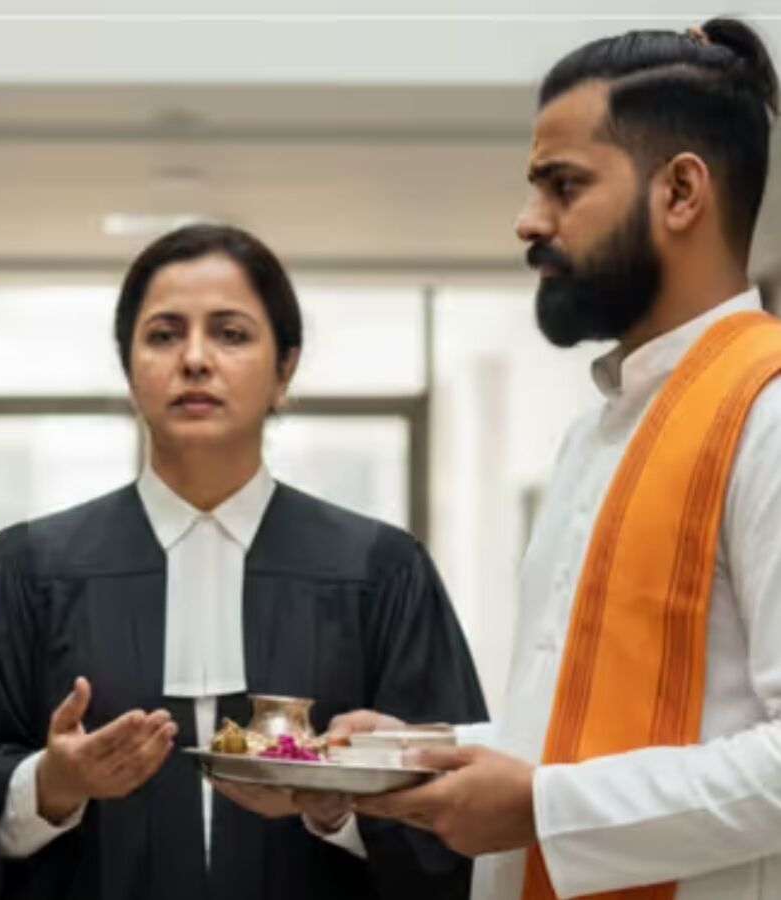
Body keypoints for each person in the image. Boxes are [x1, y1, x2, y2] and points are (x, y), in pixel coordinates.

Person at [0, 223, 487, 900]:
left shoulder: (380, 572)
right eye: (164, 335)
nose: (196, 359)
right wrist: (52, 785)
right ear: (129, 370)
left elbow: (458, 806)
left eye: (231, 334)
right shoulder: (28, 569)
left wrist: (336, 805)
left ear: (285, 369)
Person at [340, 17, 781, 900]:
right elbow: (568, 738)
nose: (527, 221)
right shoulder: (597, 429)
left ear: (681, 191)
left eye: (563, 185)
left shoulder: (767, 410)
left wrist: (541, 808)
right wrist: (411, 760)